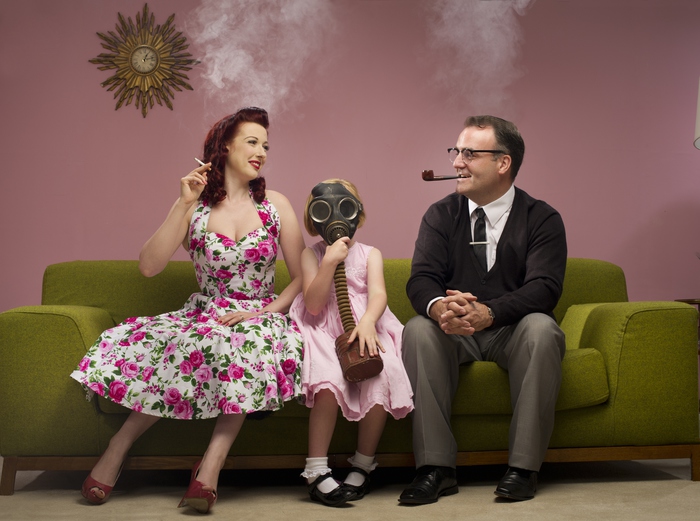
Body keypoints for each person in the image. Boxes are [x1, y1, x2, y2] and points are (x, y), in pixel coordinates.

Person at [70, 107, 306, 513]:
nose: (261, 153)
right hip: (206, 313)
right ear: (225, 146)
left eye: (266, 146)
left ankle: (210, 466)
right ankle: (118, 446)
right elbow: (149, 266)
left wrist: (264, 312)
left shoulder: (276, 204)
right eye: (252, 142)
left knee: (243, 344)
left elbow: (302, 277)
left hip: (260, 317)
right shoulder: (194, 207)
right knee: (182, 342)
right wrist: (182, 204)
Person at [399, 115, 567, 504]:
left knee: (542, 329)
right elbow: (421, 279)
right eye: (456, 151)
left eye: (470, 154)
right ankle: (435, 468)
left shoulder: (542, 218)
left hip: (513, 330)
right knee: (418, 330)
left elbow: (544, 288)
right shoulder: (440, 214)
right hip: (455, 332)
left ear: (503, 163)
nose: (457, 162)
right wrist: (441, 307)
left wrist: (489, 312)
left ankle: (523, 469)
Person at [289, 179, 414, 507]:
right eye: (324, 210)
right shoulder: (311, 254)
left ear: (357, 213)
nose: (336, 217)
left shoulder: (371, 254)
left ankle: (363, 463)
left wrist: (369, 321)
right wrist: (329, 261)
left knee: (382, 375)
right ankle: (316, 469)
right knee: (328, 381)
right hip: (322, 329)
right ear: (313, 219)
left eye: (344, 208)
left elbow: (379, 294)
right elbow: (314, 305)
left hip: (364, 327)